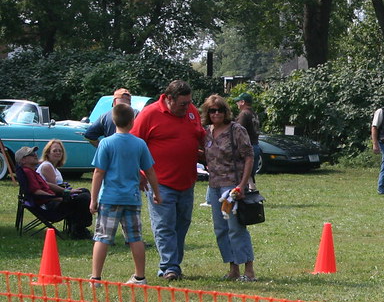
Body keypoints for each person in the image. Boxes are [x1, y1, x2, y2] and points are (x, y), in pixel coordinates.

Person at [131, 79, 206, 281]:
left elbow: (199, 135)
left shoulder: (191, 112)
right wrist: (138, 172)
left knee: (182, 223)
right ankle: (169, 266)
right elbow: (133, 143)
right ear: (169, 99)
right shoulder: (149, 114)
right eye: (183, 103)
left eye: (189, 102)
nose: (187, 107)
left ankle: (173, 264)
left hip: (186, 180)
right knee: (164, 225)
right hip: (159, 182)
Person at [88, 104, 162, 285]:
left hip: (110, 198)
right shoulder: (139, 143)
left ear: (113, 121)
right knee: (135, 238)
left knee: (102, 237)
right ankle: (140, 277)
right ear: (132, 121)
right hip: (132, 198)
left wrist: (93, 199)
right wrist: (157, 193)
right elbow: (150, 171)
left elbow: (99, 172)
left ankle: (96, 277)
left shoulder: (106, 143)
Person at [201, 95, 258, 281]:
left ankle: (248, 270)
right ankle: (233, 268)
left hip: (231, 188)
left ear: (226, 112)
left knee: (236, 228)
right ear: (207, 113)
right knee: (221, 229)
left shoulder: (236, 130)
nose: (216, 113)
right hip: (214, 187)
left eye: (219, 110)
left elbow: (249, 157)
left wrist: (242, 186)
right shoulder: (207, 132)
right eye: (212, 110)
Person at [15, 146, 93, 238]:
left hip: (51, 201)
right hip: (49, 206)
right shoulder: (28, 172)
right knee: (83, 198)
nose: (35, 155)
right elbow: (37, 192)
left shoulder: (32, 171)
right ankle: (79, 230)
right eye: (31, 154)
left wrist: (66, 191)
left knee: (84, 191)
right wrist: (56, 198)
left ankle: (77, 227)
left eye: (35, 153)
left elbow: (46, 185)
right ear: (23, 160)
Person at [37, 140, 91, 207]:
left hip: (58, 196)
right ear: (48, 153)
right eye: (55, 151)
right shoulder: (47, 166)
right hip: (51, 202)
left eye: (60, 151)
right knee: (84, 197)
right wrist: (69, 191)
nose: (58, 153)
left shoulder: (53, 167)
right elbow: (54, 189)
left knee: (84, 191)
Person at [234, 92, 261, 180]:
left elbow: (238, 131)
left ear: (243, 102)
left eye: (238, 101)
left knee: (244, 177)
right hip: (256, 145)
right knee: (250, 176)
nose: (236, 103)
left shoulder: (244, 114)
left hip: (247, 147)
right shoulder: (254, 114)